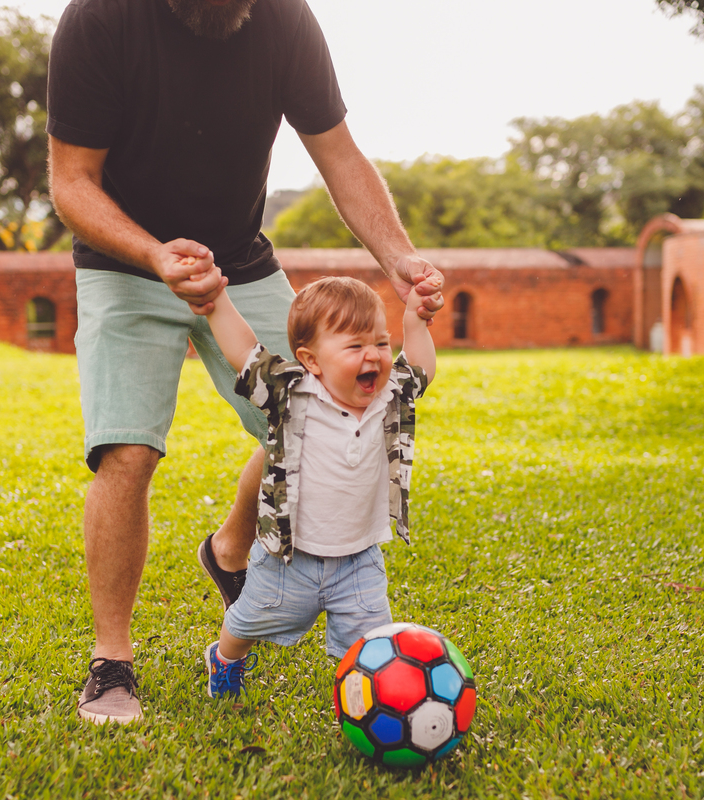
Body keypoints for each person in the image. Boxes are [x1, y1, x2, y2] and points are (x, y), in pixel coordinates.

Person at [45, 0, 444, 724]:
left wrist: (400, 261)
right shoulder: (100, 19)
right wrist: (155, 253)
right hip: (123, 260)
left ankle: (229, 549)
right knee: (126, 452)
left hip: (242, 259)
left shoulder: (286, 21)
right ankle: (112, 661)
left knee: (305, 418)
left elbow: (338, 153)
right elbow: (71, 181)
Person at [197, 274, 437, 697]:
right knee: (247, 621)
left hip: (359, 559)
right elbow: (244, 354)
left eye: (381, 344)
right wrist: (216, 301)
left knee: (374, 647)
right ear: (311, 360)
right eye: (355, 346)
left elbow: (421, 368)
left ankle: (373, 703)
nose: (375, 356)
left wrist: (415, 320)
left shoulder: (389, 395)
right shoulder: (290, 392)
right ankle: (225, 658)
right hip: (288, 559)